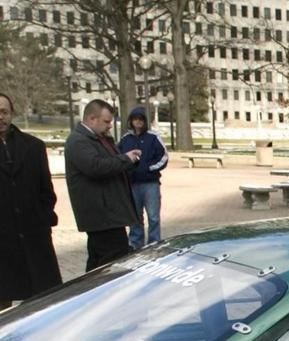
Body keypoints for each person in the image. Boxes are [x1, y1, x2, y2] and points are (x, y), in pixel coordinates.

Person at [0, 92, 62, 307]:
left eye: (4, 112)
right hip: (3, 242)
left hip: (34, 237)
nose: (0, 117)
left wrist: (43, 219)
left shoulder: (33, 146)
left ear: (12, 113)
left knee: (42, 303)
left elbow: (47, 191)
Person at [64, 99, 140, 271]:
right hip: (102, 215)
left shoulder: (99, 139)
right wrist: (126, 159)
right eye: (106, 121)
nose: (110, 126)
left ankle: (89, 288)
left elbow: (109, 163)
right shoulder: (78, 141)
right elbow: (95, 167)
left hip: (109, 214)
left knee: (98, 263)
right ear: (92, 119)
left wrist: (129, 160)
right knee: (112, 263)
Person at [117, 105, 169, 248]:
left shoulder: (153, 137)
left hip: (150, 183)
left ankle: (154, 244)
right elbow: (119, 158)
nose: (138, 122)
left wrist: (148, 168)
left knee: (153, 217)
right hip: (132, 183)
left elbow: (163, 157)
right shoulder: (125, 139)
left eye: (141, 119)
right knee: (135, 218)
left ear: (145, 121)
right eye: (135, 119)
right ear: (131, 121)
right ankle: (135, 245)